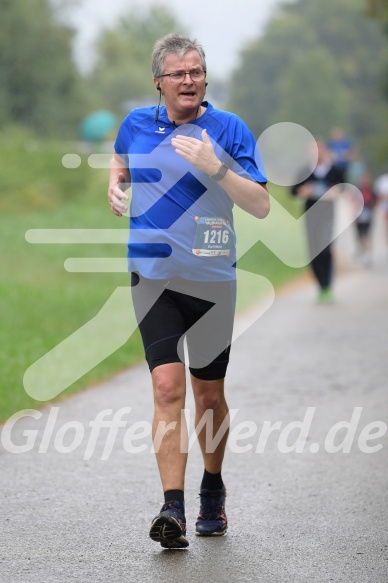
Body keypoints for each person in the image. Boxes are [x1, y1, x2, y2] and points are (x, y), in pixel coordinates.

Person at [107, 33, 270, 549]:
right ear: (158, 82)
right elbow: (121, 159)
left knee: (208, 394)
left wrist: (216, 167)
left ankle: (213, 489)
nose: (189, 80)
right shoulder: (136, 124)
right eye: (178, 74)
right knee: (166, 389)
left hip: (211, 280)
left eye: (196, 71)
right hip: (151, 277)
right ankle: (171, 508)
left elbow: (261, 205)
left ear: (205, 77)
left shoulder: (228, 129)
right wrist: (115, 183)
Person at [291, 139, 344, 303]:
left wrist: (336, 191)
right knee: (313, 250)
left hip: (327, 214)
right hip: (310, 214)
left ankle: (327, 286)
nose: (318, 153)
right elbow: (293, 191)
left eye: (320, 150)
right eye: (315, 150)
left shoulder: (334, 170)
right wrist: (303, 190)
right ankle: (320, 285)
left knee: (326, 249)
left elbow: (344, 186)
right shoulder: (305, 171)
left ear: (325, 152)